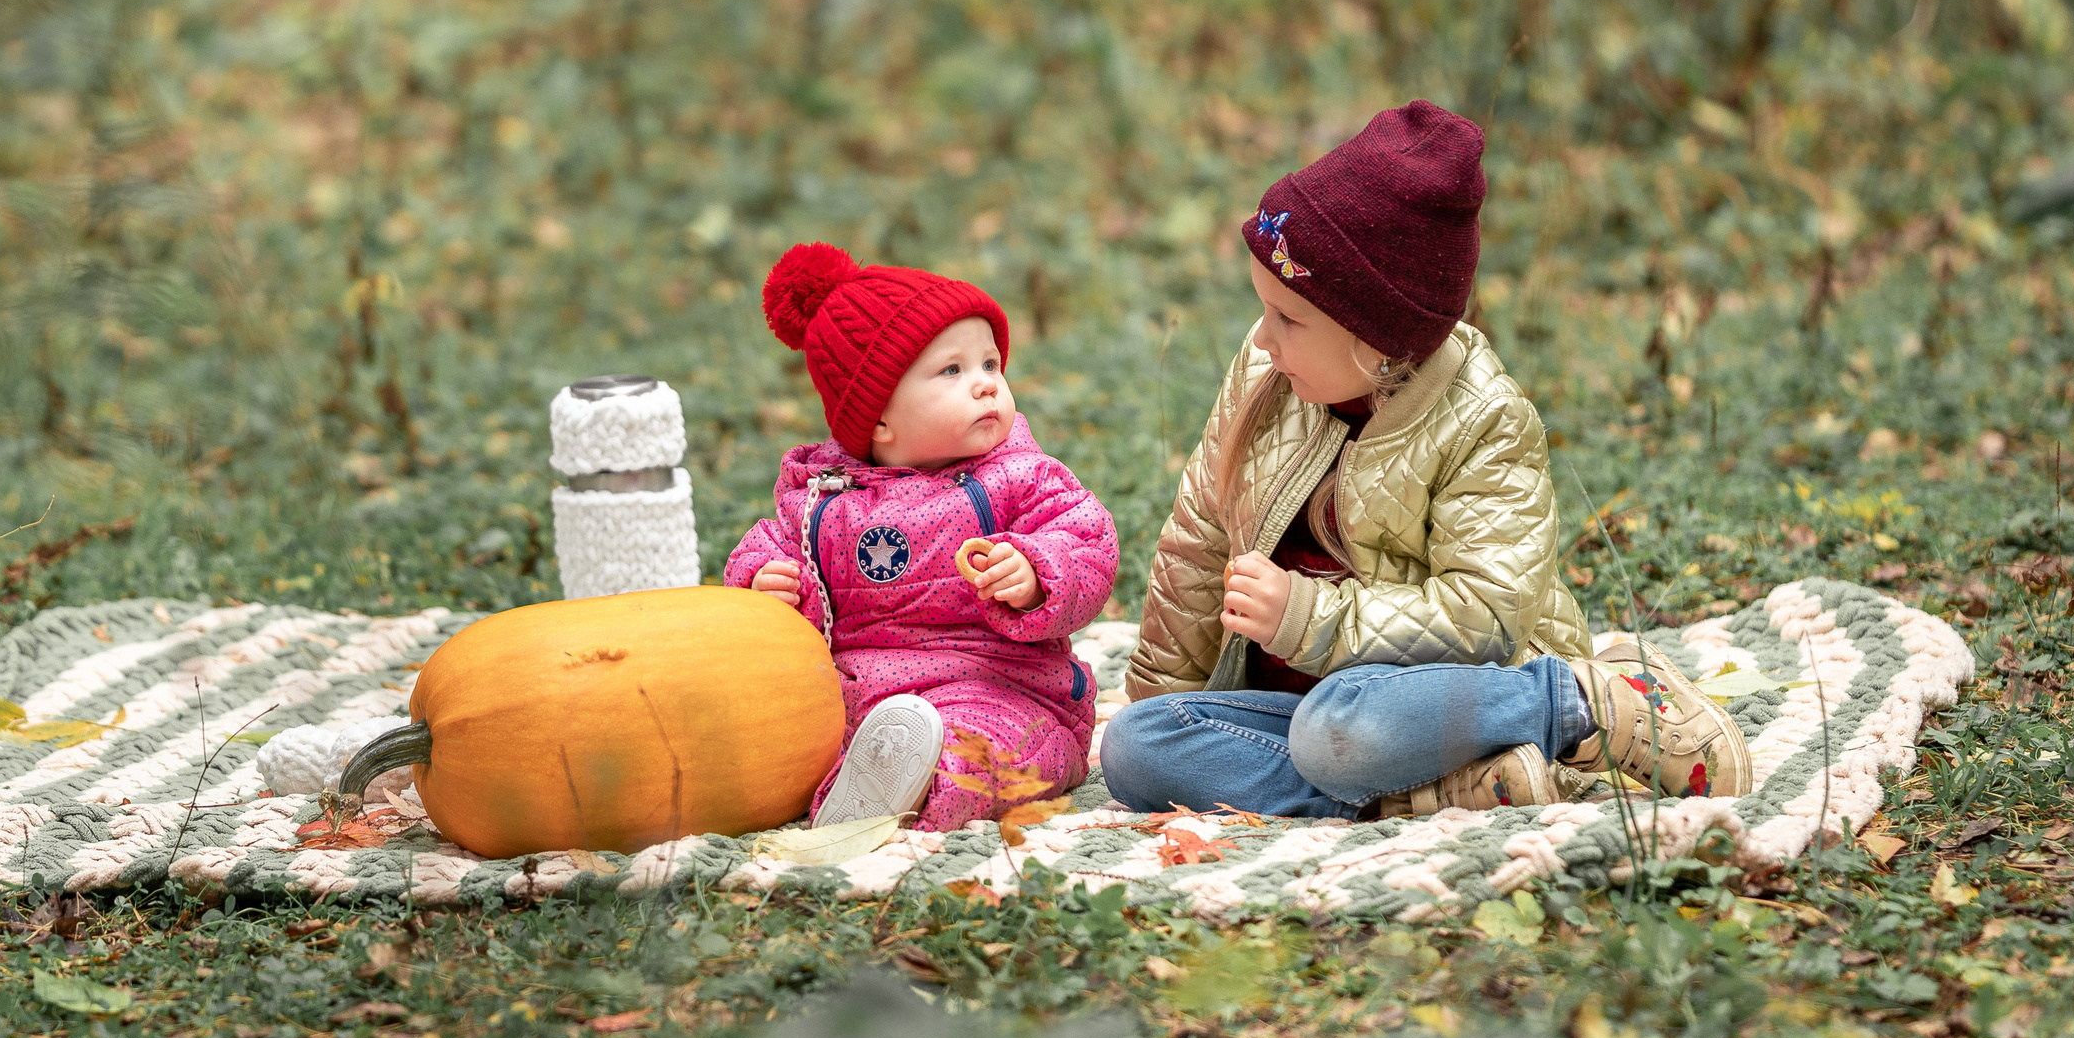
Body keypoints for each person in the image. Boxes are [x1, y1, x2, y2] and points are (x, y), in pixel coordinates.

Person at [1099, 100, 1751, 818]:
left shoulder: (1484, 418)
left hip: (1431, 697)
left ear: (1377, 338)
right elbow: (1199, 539)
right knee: (1135, 747)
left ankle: (1578, 701)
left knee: (1339, 729)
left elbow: (1486, 613)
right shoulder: (1264, 375)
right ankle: (1427, 793)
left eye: (1289, 318)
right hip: (1305, 711)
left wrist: (1306, 616)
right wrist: (1174, 710)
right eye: (1263, 308)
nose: (1263, 338)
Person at [727, 243, 1118, 829]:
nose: (986, 385)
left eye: (991, 366)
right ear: (878, 416)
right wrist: (766, 584)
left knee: (1007, 754)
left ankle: (922, 784)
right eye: (952, 371)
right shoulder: (822, 500)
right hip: (854, 703)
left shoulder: (1019, 475)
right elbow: (770, 550)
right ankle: (858, 778)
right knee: (767, 740)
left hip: (997, 687)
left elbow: (1086, 541)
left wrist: (1037, 574)